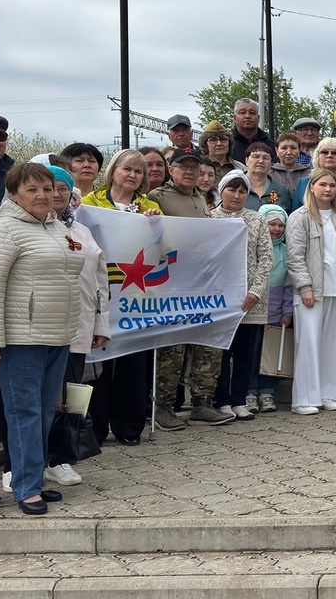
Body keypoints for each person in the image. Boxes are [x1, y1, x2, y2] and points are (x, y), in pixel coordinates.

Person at [0, 163, 87, 515]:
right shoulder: (2, 230)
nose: (43, 195)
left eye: (48, 188)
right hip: (22, 338)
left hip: (58, 334)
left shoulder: (56, 228)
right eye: (32, 190)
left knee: (44, 413)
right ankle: (24, 487)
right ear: (14, 194)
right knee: (23, 412)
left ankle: (34, 478)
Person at [81, 149, 161, 443]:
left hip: (135, 296)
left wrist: (156, 225)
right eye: (127, 169)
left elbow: (163, 246)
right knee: (101, 361)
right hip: (101, 293)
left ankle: (129, 426)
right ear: (113, 171)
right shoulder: (90, 203)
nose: (133, 175)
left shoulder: (151, 206)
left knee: (133, 361)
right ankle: (97, 427)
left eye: (138, 172)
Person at [147, 145, 230, 426]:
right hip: (172, 283)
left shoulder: (200, 199)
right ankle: (163, 407)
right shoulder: (156, 197)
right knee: (173, 347)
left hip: (202, 282)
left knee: (209, 342)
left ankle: (202, 402)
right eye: (183, 166)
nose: (190, 171)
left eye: (194, 167)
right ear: (172, 170)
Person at [46, 164, 107, 487]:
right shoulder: (25, 226)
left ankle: (61, 458)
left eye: (62, 189)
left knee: (70, 396)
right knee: (32, 398)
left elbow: (100, 282)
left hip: (79, 326)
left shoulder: (83, 232)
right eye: (49, 187)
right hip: (38, 328)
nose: (55, 194)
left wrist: (101, 323)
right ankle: (18, 463)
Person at [286, 168, 336, 415]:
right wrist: (304, 286)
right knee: (309, 344)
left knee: (333, 343)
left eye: (332, 186)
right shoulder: (299, 217)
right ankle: (304, 398)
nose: (328, 189)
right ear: (312, 187)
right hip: (311, 291)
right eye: (323, 184)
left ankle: (329, 392)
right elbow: (294, 257)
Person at [212, 171, 270, 422]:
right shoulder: (209, 217)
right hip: (219, 298)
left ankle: (239, 399)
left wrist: (255, 291)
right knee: (221, 353)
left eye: (242, 191)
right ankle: (222, 400)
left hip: (250, 299)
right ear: (221, 190)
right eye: (231, 189)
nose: (237, 195)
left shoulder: (257, 219)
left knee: (247, 352)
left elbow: (266, 257)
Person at [254, 204, 292, 413]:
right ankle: (250, 391)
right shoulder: (253, 248)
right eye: (271, 224)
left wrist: (287, 312)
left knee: (270, 353)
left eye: (280, 225)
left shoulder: (285, 252)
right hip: (253, 311)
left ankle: (267, 392)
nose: (276, 229)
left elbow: (288, 285)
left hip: (275, 313)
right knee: (252, 353)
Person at [293, 138, 336, 208]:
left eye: (335, 153)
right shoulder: (304, 183)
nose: (329, 155)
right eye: (324, 152)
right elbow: (295, 213)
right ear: (317, 157)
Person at [240, 142, 289, 211]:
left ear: (270, 163)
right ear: (246, 160)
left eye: (265, 158)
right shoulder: (233, 187)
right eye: (256, 156)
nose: (261, 161)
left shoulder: (281, 190)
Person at [230, 98, 273, 164]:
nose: (247, 116)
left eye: (252, 113)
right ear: (235, 118)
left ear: (258, 118)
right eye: (242, 112)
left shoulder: (270, 146)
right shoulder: (227, 145)